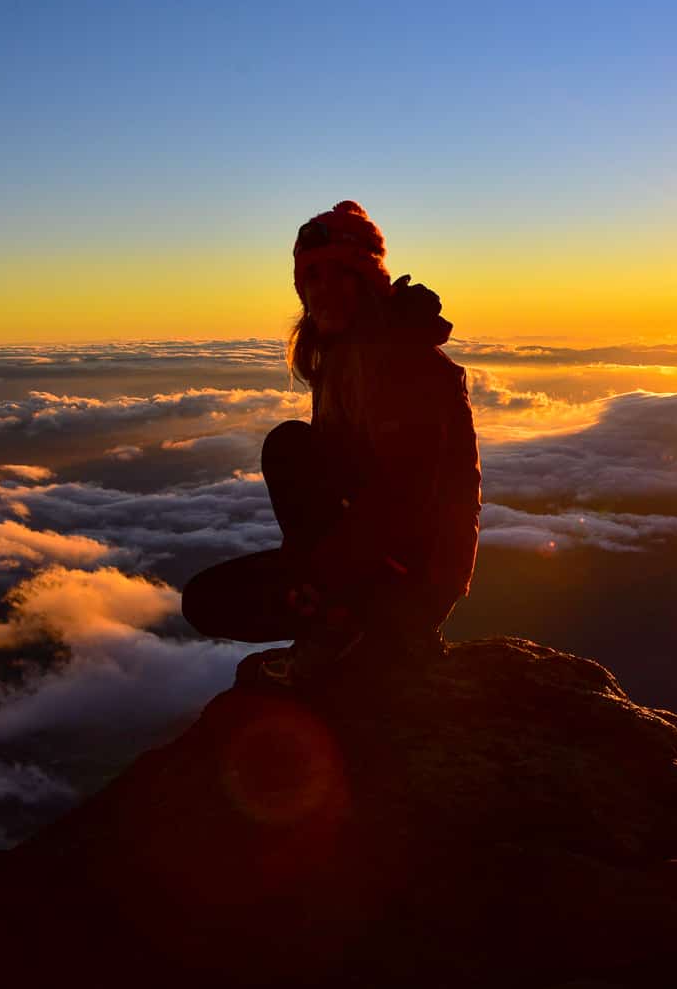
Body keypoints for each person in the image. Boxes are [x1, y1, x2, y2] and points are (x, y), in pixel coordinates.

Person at [181, 201, 481, 679]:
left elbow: (402, 502)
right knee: (205, 597)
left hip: (408, 578)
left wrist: (317, 579)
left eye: (338, 274)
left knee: (287, 449)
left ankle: (353, 630)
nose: (322, 290)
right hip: (370, 560)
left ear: (366, 280)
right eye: (311, 278)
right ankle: (341, 623)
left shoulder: (405, 363)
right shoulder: (342, 359)